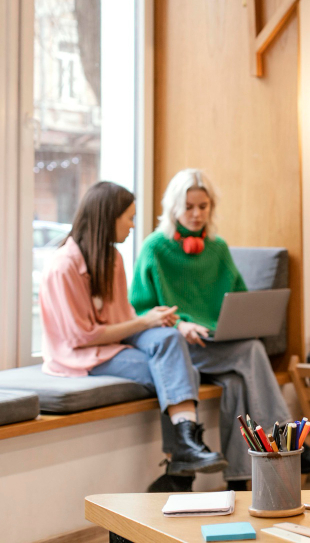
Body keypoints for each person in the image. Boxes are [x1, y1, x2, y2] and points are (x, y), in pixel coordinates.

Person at [130, 169, 310, 492]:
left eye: (204, 206)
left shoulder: (218, 249)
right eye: (189, 207)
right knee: (251, 352)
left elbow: (239, 297)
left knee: (240, 377)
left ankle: (238, 483)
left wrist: (239, 321)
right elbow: (139, 307)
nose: (197, 214)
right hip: (180, 346)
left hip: (214, 343)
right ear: (173, 209)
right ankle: (288, 442)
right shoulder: (154, 248)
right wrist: (180, 324)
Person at [40, 181, 227, 488]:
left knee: (170, 341)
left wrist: (159, 321)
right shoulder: (64, 266)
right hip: (80, 356)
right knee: (184, 370)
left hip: (113, 343)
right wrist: (145, 322)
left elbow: (124, 318)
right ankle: (180, 464)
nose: (132, 225)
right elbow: (81, 338)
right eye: (128, 218)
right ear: (108, 218)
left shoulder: (113, 259)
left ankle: (182, 458)